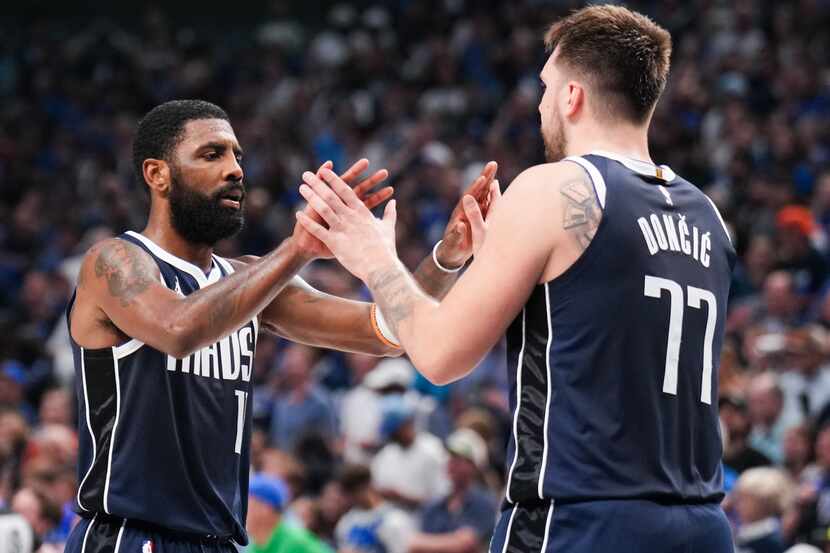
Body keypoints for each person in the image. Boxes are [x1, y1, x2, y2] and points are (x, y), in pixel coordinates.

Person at [295, 5, 737, 552]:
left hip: (583, 519)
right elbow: (604, 320)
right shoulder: (707, 216)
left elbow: (438, 356)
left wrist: (372, 257)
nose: (539, 103)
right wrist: (501, 259)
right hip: (701, 525)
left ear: (572, 96)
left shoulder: (558, 187)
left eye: (546, 87)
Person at [63, 99, 498, 551]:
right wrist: (298, 249)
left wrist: (447, 258)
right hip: (132, 536)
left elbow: (384, 331)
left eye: (237, 156)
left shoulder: (249, 280)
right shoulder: (112, 263)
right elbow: (177, 329)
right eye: (212, 155)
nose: (235, 170)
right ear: (158, 174)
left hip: (218, 540)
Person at [246, 474, 332, 553]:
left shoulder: (297, 543)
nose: (241, 513)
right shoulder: (256, 546)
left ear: (265, 509)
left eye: (248, 504)